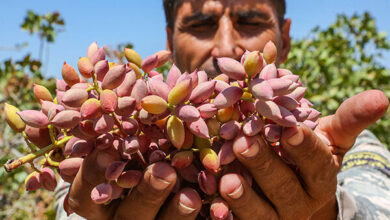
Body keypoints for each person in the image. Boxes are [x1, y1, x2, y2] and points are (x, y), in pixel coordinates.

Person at [55, 0, 390, 219]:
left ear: (284, 40)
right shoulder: (104, 143)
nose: (226, 46)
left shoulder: (344, 145)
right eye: (201, 25)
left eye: (250, 21)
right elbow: (68, 205)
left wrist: (327, 212)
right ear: (170, 42)